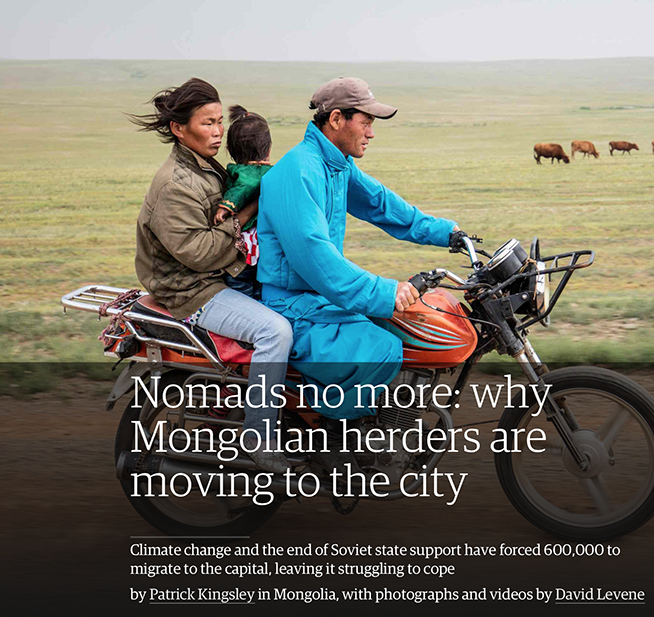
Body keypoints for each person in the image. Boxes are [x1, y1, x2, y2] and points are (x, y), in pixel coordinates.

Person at [256, 77, 458, 420]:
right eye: (365, 123)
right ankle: (335, 444)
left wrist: (447, 233)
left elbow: (382, 204)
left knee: (400, 328)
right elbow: (315, 256)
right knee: (383, 348)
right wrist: (385, 291)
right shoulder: (299, 171)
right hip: (293, 305)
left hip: (317, 298)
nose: (371, 133)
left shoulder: (337, 165)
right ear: (336, 120)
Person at [130, 79, 294, 473]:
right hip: (192, 290)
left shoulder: (204, 166)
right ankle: (259, 440)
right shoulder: (176, 184)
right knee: (276, 331)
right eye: (207, 123)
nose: (218, 131)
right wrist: (246, 211)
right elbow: (200, 254)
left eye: (220, 121)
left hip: (219, 277)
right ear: (178, 129)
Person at [213, 104, 273, 300]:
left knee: (241, 287)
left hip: (244, 248)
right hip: (258, 246)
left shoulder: (244, 173)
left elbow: (242, 188)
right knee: (257, 289)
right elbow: (245, 189)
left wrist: (225, 206)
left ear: (230, 149)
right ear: (269, 148)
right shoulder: (264, 173)